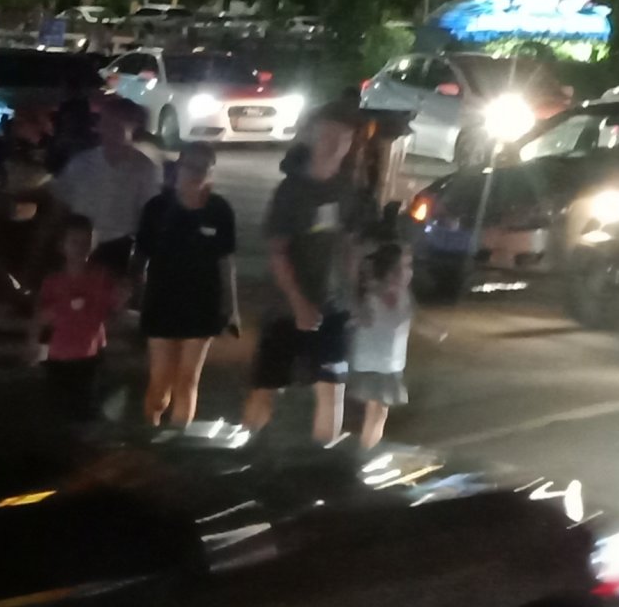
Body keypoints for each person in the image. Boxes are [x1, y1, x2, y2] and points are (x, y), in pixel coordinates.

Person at [246, 106, 367, 443]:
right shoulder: (291, 191)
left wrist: (355, 296)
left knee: (332, 388)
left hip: (334, 308)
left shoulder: (348, 190)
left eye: (344, 138)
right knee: (266, 386)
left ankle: (321, 460)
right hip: (285, 309)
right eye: (328, 135)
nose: (336, 144)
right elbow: (278, 252)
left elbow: (350, 247)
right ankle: (249, 453)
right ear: (313, 137)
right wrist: (298, 303)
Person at [134, 140, 238, 426]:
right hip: (161, 301)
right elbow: (141, 256)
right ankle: (152, 428)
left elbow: (226, 261)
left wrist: (231, 308)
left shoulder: (219, 210)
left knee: (188, 378)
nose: (197, 172)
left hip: (203, 303)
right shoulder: (157, 208)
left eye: (204, 167)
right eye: (192, 166)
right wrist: (133, 293)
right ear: (179, 167)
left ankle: (178, 438)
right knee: (159, 379)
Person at [30, 213, 124, 421]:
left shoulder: (101, 277)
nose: (80, 248)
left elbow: (114, 307)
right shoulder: (54, 281)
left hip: (90, 354)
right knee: (58, 406)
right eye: (74, 242)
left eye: (86, 242)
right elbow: (41, 316)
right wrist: (35, 345)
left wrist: (121, 297)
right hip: (59, 354)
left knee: (85, 406)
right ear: (62, 245)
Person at [53, 96, 161, 274]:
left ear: (133, 126)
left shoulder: (144, 168)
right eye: (105, 123)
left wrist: (139, 262)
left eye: (116, 125)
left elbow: (150, 216)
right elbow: (60, 205)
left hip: (118, 250)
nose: (108, 130)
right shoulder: (81, 163)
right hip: (78, 247)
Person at [349, 239, 413, 447]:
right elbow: (361, 317)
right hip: (375, 364)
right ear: (391, 272)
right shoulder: (372, 295)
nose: (409, 272)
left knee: (377, 413)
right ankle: (367, 449)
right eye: (405, 266)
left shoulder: (403, 295)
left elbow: (410, 317)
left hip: (389, 364)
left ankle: (367, 447)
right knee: (376, 414)